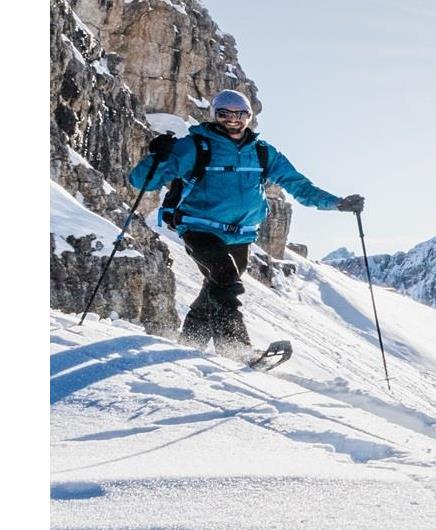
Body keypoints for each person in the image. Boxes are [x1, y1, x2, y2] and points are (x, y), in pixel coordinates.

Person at [128, 89, 363, 356]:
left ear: (249, 116)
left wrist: (338, 203)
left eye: (239, 114)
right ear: (215, 115)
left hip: (241, 236)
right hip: (199, 228)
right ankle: (237, 348)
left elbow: (299, 186)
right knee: (226, 279)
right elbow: (141, 181)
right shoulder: (194, 146)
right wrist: (157, 156)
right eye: (224, 113)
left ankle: (189, 345)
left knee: (215, 289)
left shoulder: (262, 153)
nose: (232, 119)